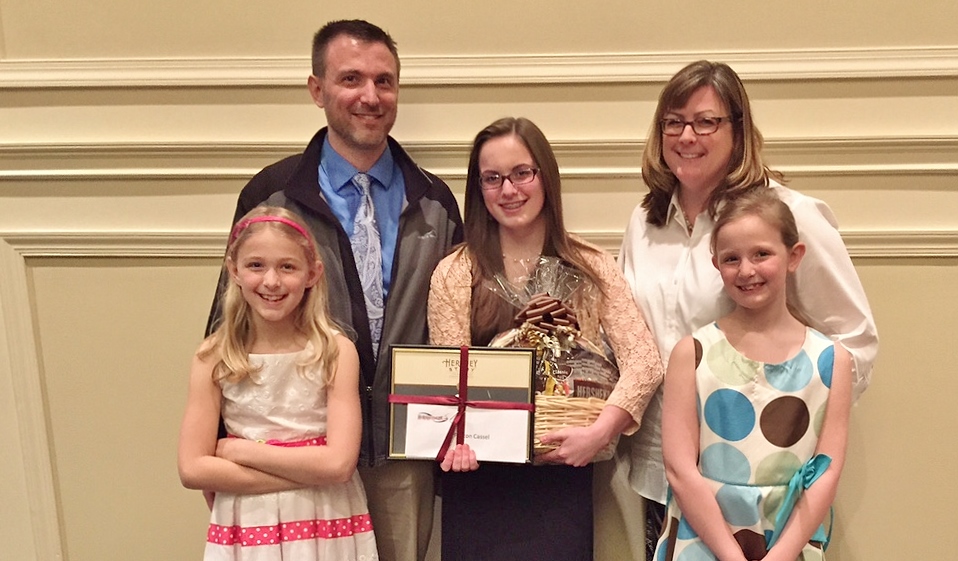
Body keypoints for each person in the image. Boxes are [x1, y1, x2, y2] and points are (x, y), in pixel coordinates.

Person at [204, 20, 464, 561]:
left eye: (384, 81)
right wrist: (222, 444)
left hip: (401, 458)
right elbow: (230, 322)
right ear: (317, 89)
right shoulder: (271, 193)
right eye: (351, 79)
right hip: (295, 454)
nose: (370, 96)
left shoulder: (436, 203)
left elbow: (457, 329)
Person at [619, 60, 878, 559]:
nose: (687, 135)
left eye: (706, 121)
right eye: (673, 122)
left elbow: (852, 341)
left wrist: (788, 439)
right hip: (664, 472)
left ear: (738, 130)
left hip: (766, 485)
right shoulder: (645, 220)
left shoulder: (789, 215)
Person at [427, 117, 664, 561]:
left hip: (563, 472)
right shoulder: (457, 272)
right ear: (479, 189)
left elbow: (644, 362)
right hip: (480, 479)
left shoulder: (591, 266)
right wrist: (454, 439)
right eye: (492, 178)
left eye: (522, 173)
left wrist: (600, 432)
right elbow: (449, 379)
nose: (509, 190)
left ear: (545, 177)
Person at [656, 188, 852, 561]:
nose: (746, 270)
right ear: (717, 265)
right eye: (732, 258)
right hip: (705, 538)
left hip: (789, 539)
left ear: (793, 256)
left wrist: (781, 555)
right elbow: (680, 469)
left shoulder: (831, 361)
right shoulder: (692, 354)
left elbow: (827, 472)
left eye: (761, 254)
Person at [179, 207, 379, 561]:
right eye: (256, 265)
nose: (271, 281)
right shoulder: (213, 356)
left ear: (312, 273)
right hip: (247, 524)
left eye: (287, 267)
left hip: (326, 519)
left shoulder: (335, 352)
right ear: (234, 271)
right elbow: (193, 468)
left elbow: (338, 466)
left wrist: (242, 452)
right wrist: (311, 470)